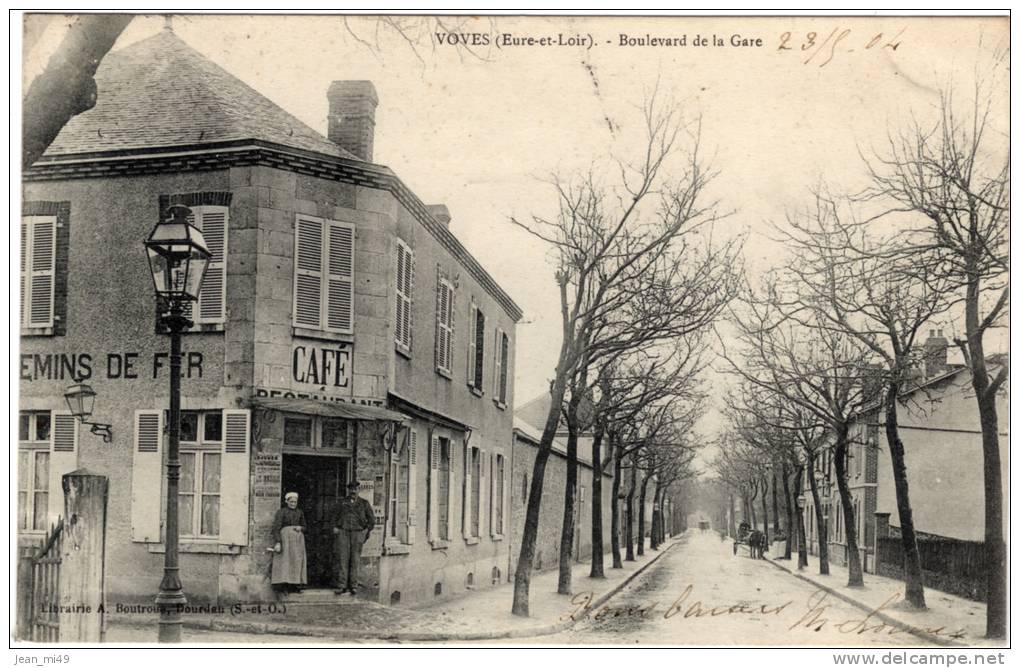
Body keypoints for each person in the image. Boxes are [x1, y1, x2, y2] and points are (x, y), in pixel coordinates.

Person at [332, 481, 375, 595]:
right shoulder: (342, 503)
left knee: (355, 559)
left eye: (355, 489)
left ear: (358, 490)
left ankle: (353, 586)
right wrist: (336, 527)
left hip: (357, 533)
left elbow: (372, 521)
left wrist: (365, 532)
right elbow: (334, 516)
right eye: (351, 489)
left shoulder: (364, 503)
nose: (353, 491)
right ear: (348, 490)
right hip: (344, 532)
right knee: (343, 559)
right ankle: (342, 585)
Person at [270, 492, 307, 594]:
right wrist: (278, 542)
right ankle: (284, 586)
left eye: (295, 502)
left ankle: (295, 585)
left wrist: (301, 528)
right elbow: (276, 528)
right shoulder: (281, 512)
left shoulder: (300, 512)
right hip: (285, 540)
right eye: (291, 502)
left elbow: (305, 526)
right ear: (286, 502)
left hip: (297, 541)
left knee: (296, 561)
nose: (293, 504)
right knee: (286, 562)